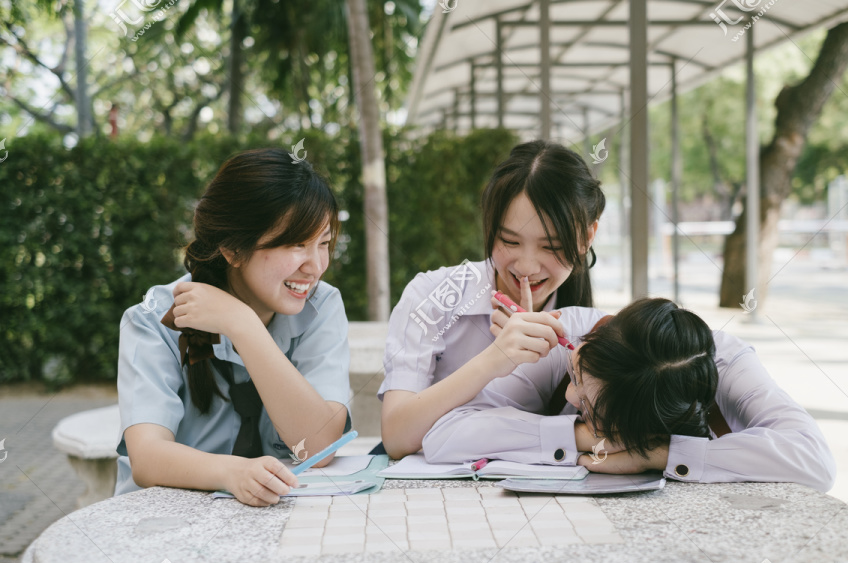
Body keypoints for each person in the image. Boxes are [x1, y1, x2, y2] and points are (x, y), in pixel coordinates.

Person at [115, 148, 352, 506]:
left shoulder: (320, 306)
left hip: (273, 516)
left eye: (323, 244)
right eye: (296, 244)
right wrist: (231, 473)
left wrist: (243, 326)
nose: (316, 266)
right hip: (163, 522)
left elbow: (317, 447)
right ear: (232, 249)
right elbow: (147, 458)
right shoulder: (155, 319)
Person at [422, 298, 836, 493]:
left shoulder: (724, 361)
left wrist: (659, 452)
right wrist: (586, 437)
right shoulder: (563, 338)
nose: (569, 393)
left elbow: (814, 460)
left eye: (588, 408)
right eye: (577, 376)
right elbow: (442, 437)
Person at [378, 140, 607, 458]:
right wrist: (493, 361)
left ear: (587, 237)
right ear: (489, 226)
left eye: (551, 247)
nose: (526, 266)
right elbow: (396, 437)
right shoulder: (432, 296)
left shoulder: (586, 329)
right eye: (509, 240)